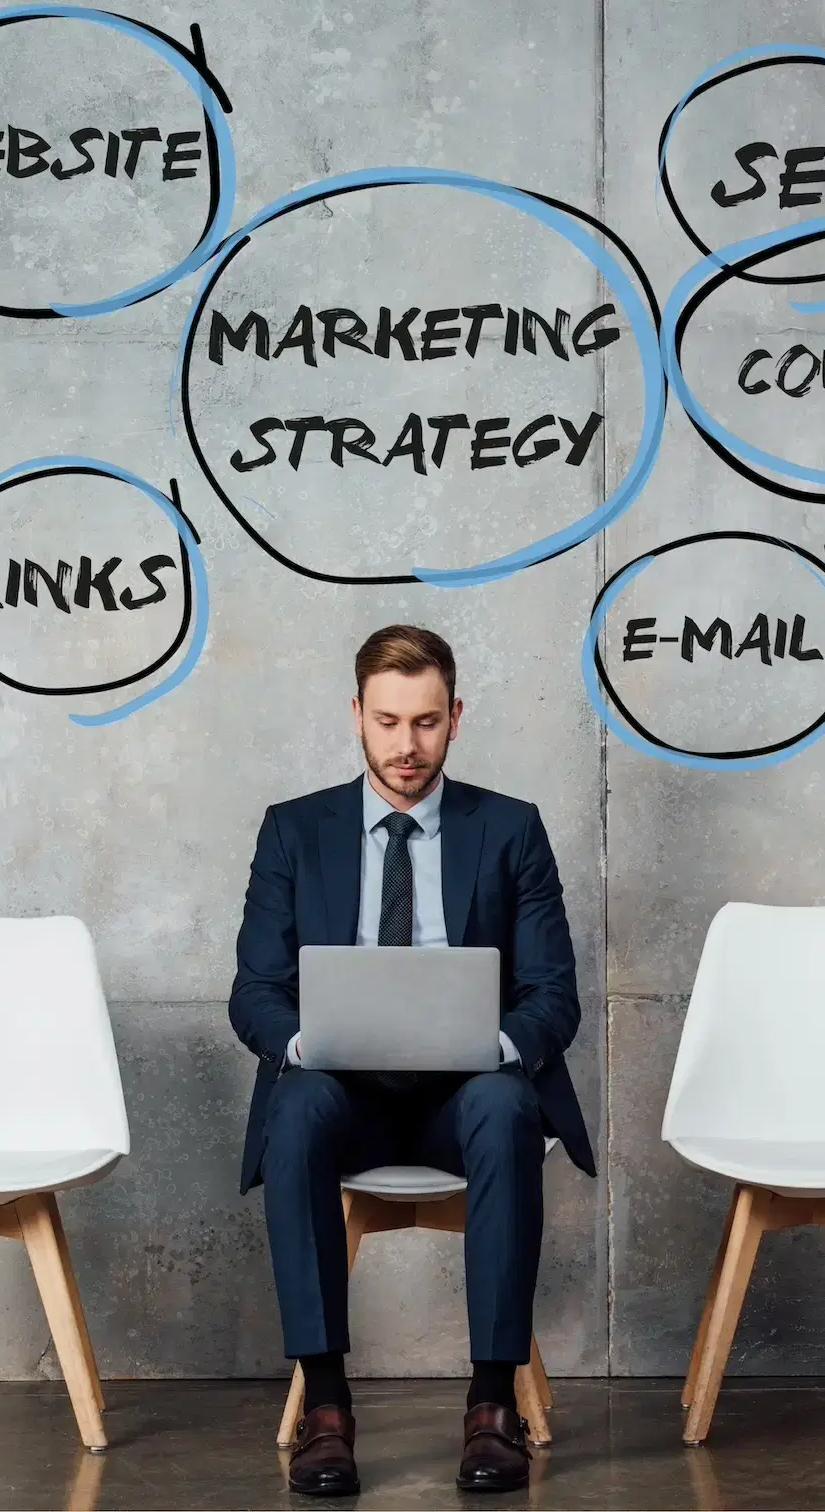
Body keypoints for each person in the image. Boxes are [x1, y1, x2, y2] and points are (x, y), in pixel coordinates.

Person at [228, 624, 594, 1496]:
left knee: (508, 1106)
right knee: (297, 1106)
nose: (406, 746)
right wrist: (304, 1042)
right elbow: (254, 992)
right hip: (344, 1094)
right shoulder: (294, 831)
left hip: (461, 1099)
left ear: (456, 718)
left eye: (426, 722)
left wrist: (491, 1043)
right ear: (356, 714)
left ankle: (492, 1403)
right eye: (388, 721)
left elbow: (554, 996)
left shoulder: (510, 830)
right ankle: (325, 1406)